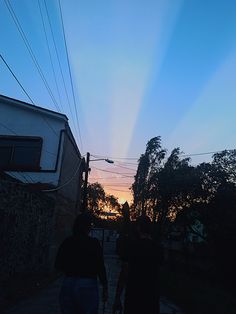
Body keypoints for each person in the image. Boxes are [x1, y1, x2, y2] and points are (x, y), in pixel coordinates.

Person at [55, 212, 108, 314]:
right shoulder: (94, 244)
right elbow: (101, 267)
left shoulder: (68, 242)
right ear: (88, 226)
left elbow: (58, 265)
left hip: (69, 283)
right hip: (88, 285)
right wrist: (105, 286)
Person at [113, 215, 160, 314]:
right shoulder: (158, 248)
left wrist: (117, 297)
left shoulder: (132, 246)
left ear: (138, 228)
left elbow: (124, 272)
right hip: (151, 297)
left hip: (133, 295)